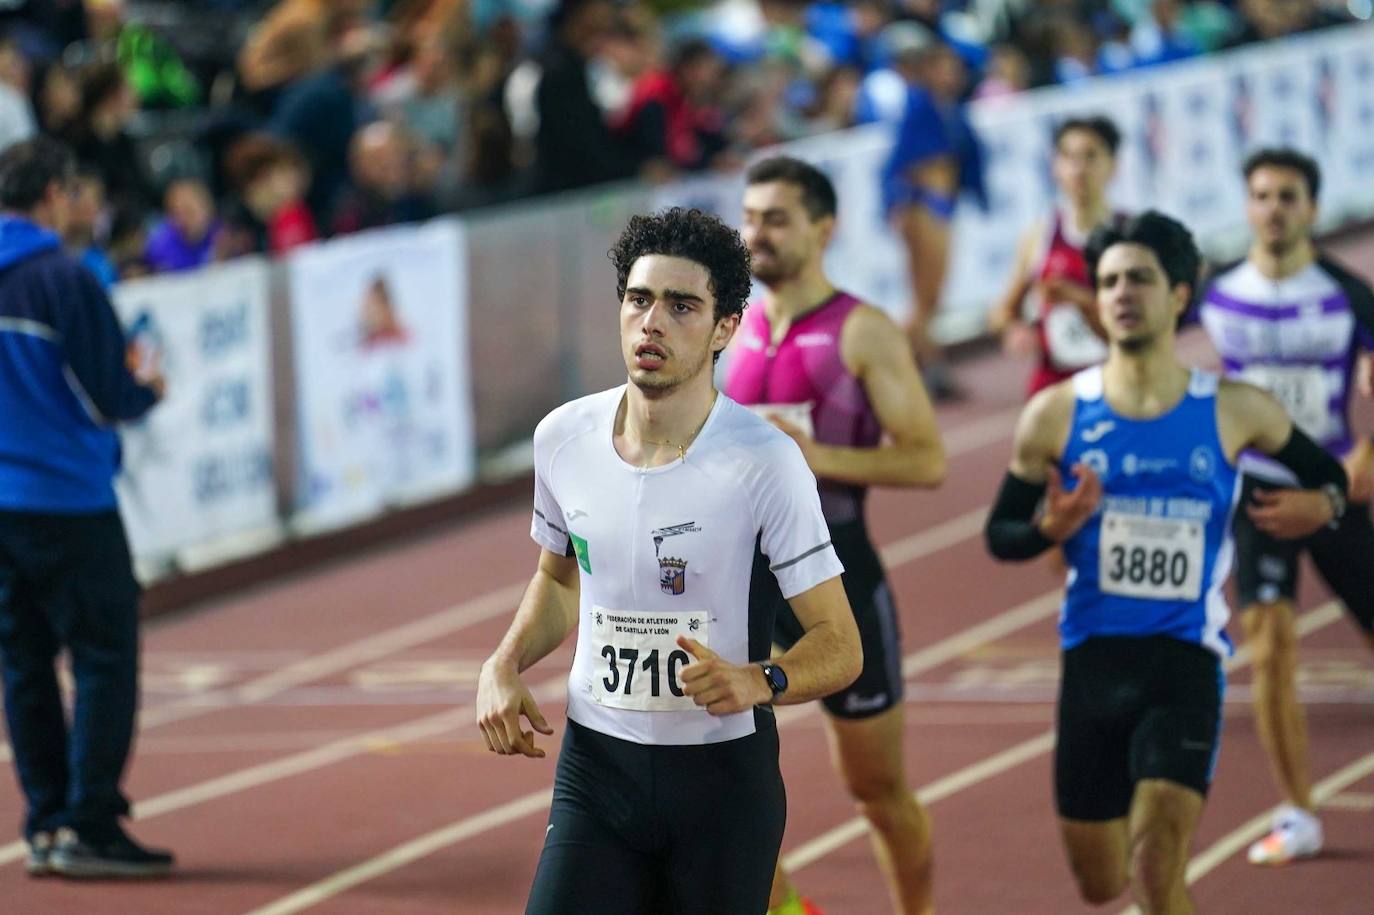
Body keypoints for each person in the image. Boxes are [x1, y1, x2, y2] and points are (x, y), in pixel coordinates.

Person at [475, 206, 862, 914]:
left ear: (724, 328)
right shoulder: (563, 439)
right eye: (639, 299)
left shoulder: (765, 463)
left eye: (682, 306)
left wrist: (761, 677)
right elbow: (558, 582)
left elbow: (841, 645)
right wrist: (502, 663)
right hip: (597, 771)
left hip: (721, 787)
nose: (652, 322)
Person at [985, 211, 1349, 913]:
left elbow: (1327, 474)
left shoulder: (1236, 408)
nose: (1121, 292)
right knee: (1101, 882)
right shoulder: (1057, 412)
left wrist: (1323, 508)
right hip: (1092, 665)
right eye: (1110, 280)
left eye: (1140, 279)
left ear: (1180, 294)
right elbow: (1001, 533)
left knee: (1156, 866)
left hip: (1184, 663)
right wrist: (1047, 527)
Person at [724, 156, 946, 915]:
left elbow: (927, 457)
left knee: (875, 788)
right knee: (720, 779)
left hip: (839, 573)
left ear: (824, 227)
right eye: (750, 217)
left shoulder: (864, 331)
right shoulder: (733, 326)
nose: (758, 233)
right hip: (743, 580)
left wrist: (814, 458)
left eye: (776, 218)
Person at [1197, 147, 1374, 866]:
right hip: (1259, 492)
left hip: (1332, 488)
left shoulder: (1348, 295)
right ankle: (1299, 811)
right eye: (1262, 195)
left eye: (1288, 196)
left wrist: (1336, 490)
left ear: (1311, 208)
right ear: (1247, 206)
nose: (1273, 208)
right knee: (1269, 649)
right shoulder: (1213, 291)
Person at [0, 136, 171, 878]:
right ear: (55, 192)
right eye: (81, 192)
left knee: (24, 661)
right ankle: (91, 819)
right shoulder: (63, 280)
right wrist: (149, 387)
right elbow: (111, 394)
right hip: (67, 498)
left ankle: (45, 821)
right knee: (104, 656)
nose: (91, 207)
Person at [990, 115, 1121, 398]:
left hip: (1117, 380)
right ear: (1055, 167)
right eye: (1068, 157)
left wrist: (1081, 301)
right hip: (1056, 387)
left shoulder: (1130, 235)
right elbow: (1002, 312)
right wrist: (1015, 330)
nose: (1078, 168)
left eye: (1090, 156)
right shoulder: (1041, 235)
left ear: (1113, 166)